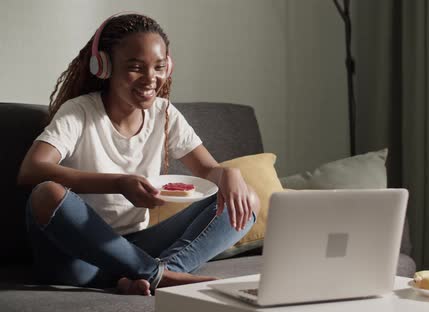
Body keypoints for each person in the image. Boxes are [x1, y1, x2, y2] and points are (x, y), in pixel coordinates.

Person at [16, 12, 260, 296]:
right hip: (77, 256)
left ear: (168, 67)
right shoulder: (80, 111)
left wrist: (228, 173)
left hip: (136, 248)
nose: (150, 78)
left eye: (158, 67)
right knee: (47, 194)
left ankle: (157, 274)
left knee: (246, 199)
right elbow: (31, 169)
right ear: (104, 66)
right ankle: (159, 275)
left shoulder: (164, 113)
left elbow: (207, 170)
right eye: (135, 67)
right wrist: (118, 182)